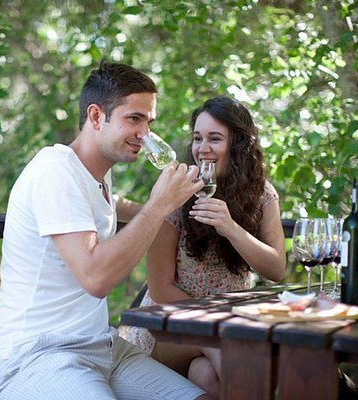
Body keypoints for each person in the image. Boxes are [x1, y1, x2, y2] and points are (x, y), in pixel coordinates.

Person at [0, 62, 214, 400]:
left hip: (102, 347)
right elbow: (96, 279)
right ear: (96, 117)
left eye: (149, 122)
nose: (146, 134)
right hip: (38, 356)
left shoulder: (94, 175)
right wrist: (157, 207)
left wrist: (152, 210)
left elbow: (106, 204)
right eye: (134, 119)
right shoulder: (54, 171)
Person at [121, 96, 286, 398]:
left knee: (206, 377)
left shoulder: (261, 193)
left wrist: (231, 229)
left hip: (227, 328)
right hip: (169, 328)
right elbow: (160, 288)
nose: (202, 148)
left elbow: (275, 268)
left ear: (237, 145)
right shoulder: (177, 192)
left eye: (214, 138)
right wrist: (216, 320)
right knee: (224, 347)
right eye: (198, 138)